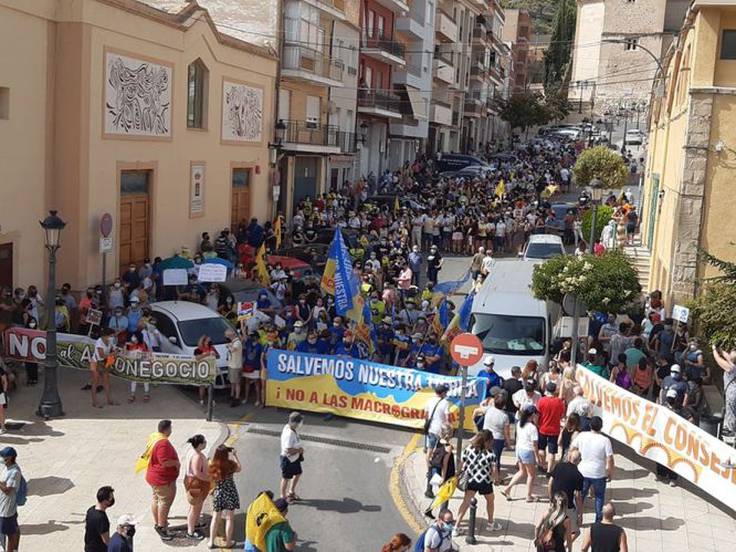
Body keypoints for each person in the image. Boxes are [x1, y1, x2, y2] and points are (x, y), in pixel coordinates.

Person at [453, 430, 502, 536]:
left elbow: (461, 464)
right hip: (485, 482)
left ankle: (456, 526)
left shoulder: (468, 449)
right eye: (491, 439)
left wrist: (457, 475)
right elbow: (494, 470)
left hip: (471, 481)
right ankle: (490, 523)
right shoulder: (491, 454)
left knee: (465, 502)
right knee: (490, 500)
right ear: (487, 441)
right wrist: (496, 480)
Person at [570, 416, 614, 523]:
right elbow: (610, 459)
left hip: (583, 471)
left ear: (590, 425)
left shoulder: (582, 436)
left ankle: (576, 517)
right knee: (599, 498)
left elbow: (572, 448)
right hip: (599, 473)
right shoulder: (605, 440)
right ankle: (598, 520)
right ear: (601, 427)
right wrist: (610, 472)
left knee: (580, 496)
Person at [144, 419, 180, 541]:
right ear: (166, 430)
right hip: (162, 480)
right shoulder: (163, 443)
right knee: (165, 502)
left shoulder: (155, 437)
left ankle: (158, 522)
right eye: (171, 428)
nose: (172, 430)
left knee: (156, 499)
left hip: (153, 476)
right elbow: (164, 462)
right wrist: (176, 462)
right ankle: (162, 527)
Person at [503, 405, 541, 503]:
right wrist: (537, 458)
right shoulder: (532, 428)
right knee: (531, 475)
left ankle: (507, 489)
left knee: (521, 472)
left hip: (519, 449)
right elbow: (534, 445)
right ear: (532, 415)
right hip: (528, 451)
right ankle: (528, 496)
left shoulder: (520, 423)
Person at [207, 445, 241, 549]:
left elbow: (210, 478)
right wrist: (235, 455)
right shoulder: (230, 464)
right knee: (229, 518)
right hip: (230, 492)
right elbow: (239, 468)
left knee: (215, 518)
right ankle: (228, 542)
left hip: (219, 493)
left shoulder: (213, 465)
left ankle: (211, 542)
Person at [549, 449, 584, 547]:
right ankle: (561, 546)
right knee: (575, 532)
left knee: (554, 527)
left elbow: (550, 483)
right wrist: (580, 514)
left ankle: (555, 544)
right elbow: (578, 497)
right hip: (567, 508)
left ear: (569, 458)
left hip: (555, 503)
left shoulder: (559, 466)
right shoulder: (578, 476)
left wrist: (551, 498)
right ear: (579, 461)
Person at [183, 434, 210, 540]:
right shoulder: (197, 456)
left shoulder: (193, 452)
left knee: (195, 506)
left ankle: (196, 524)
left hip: (193, 483)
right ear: (199, 444)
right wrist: (209, 479)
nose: (206, 443)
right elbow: (197, 473)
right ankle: (190, 531)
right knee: (195, 508)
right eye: (204, 442)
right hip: (196, 484)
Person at [482, 393, 510, 485]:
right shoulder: (504, 416)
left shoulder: (489, 410)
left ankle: (486, 473)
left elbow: (479, 408)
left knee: (485, 455)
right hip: (498, 439)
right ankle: (496, 478)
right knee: (496, 459)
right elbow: (506, 432)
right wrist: (508, 442)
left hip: (486, 436)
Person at [537, 382, 565, 475]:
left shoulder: (541, 400)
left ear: (546, 390)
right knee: (552, 451)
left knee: (541, 448)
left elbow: (538, 414)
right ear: (555, 390)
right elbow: (562, 415)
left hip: (542, 427)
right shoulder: (559, 402)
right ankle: (549, 470)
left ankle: (542, 465)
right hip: (554, 429)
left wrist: (537, 424)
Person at [280, 412, 305, 502]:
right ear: (295, 423)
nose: (300, 424)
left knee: (298, 473)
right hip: (288, 460)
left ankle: (291, 492)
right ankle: (283, 498)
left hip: (295, 459)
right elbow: (288, 449)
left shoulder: (289, 427)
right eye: (299, 422)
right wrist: (299, 450)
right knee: (286, 478)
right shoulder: (289, 433)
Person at [0, 447, 21, 552]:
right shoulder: (7, 468)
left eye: (4, 457)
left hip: (7, 509)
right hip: (3, 506)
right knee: (11, 530)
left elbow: (7, 490)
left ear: (10, 458)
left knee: (10, 534)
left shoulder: (14, 472)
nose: (3, 459)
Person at [712, 346, 736, 435]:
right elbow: (728, 357)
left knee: (731, 414)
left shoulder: (730, 368)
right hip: (733, 392)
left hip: (732, 394)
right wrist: (721, 350)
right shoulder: (733, 365)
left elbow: (718, 359)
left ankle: (730, 432)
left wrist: (714, 349)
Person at [91, 328, 117, 408]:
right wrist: (112, 354)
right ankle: (95, 402)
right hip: (96, 362)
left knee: (106, 381)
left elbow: (112, 348)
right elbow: (101, 355)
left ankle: (109, 400)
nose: (112, 337)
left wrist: (114, 351)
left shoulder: (110, 341)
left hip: (105, 362)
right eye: (111, 336)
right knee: (96, 382)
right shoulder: (99, 342)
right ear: (106, 336)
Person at [84, 486, 115, 552]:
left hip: (89, 547)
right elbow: (106, 541)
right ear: (105, 501)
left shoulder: (91, 510)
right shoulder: (102, 519)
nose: (112, 500)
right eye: (110, 498)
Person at [225, 328, 243, 407]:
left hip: (236, 365)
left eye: (227, 336)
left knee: (237, 383)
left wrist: (228, 347)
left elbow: (233, 350)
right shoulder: (233, 342)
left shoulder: (237, 343)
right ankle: (232, 395)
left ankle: (237, 398)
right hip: (231, 364)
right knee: (232, 382)